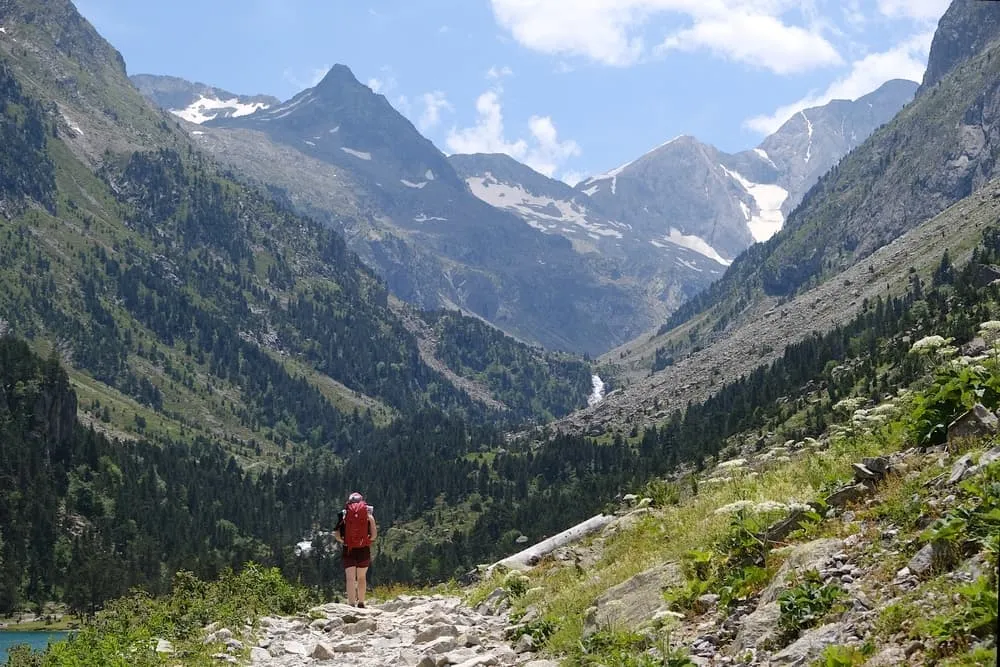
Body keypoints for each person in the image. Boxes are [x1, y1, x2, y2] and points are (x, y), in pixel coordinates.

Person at [334, 492, 377, 607]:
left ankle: (351, 603)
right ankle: (361, 602)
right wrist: (366, 540)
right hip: (363, 549)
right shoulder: (368, 515)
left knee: (350, 578)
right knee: (362, 577)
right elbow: (373, 536)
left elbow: (337, 534)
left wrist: (345, 542)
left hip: (349, 549)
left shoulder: (343, 514)